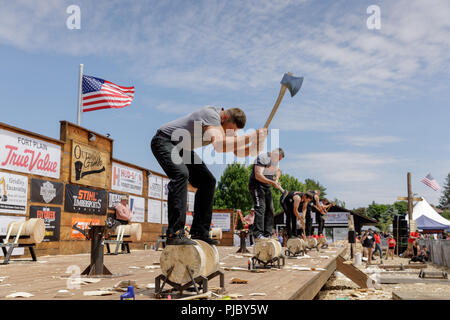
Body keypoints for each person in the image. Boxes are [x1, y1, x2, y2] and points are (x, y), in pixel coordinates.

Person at [151, 106, 268, 245]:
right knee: (181, 174)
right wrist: (251, 136)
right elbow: (219, 145)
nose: (227, 133)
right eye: (227, 129)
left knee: (208, 181)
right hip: (164, 141)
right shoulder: (211, 115)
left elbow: (238, 152)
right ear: (224, 117)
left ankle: (199, 232)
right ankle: (174, 233)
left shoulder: (227, 124)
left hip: (182, 148)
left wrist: (255, 144)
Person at [248, 148, 285, 241]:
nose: (277, 162)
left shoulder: (274, 161)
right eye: (278, 159)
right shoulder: (262, 158)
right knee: (260, 208)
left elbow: (278, 170)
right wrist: (272, 182)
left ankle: (267, 234)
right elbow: (258, 175)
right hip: (256, 185)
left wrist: (276, 178)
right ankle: (257, 234)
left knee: (270, 209)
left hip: (266, 186)